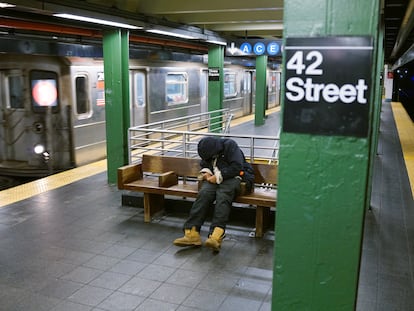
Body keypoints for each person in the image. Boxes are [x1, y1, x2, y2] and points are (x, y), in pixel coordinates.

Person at [173, 136, 254, 252]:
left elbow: (237, 167)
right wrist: (206, 173)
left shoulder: (230, 145)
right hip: (215, 178)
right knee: (204, 193)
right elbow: (205, 163)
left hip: (236, 177)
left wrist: (217, 177)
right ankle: (192, 232)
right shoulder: (208, 150)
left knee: (223, 195)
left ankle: (216, 235)